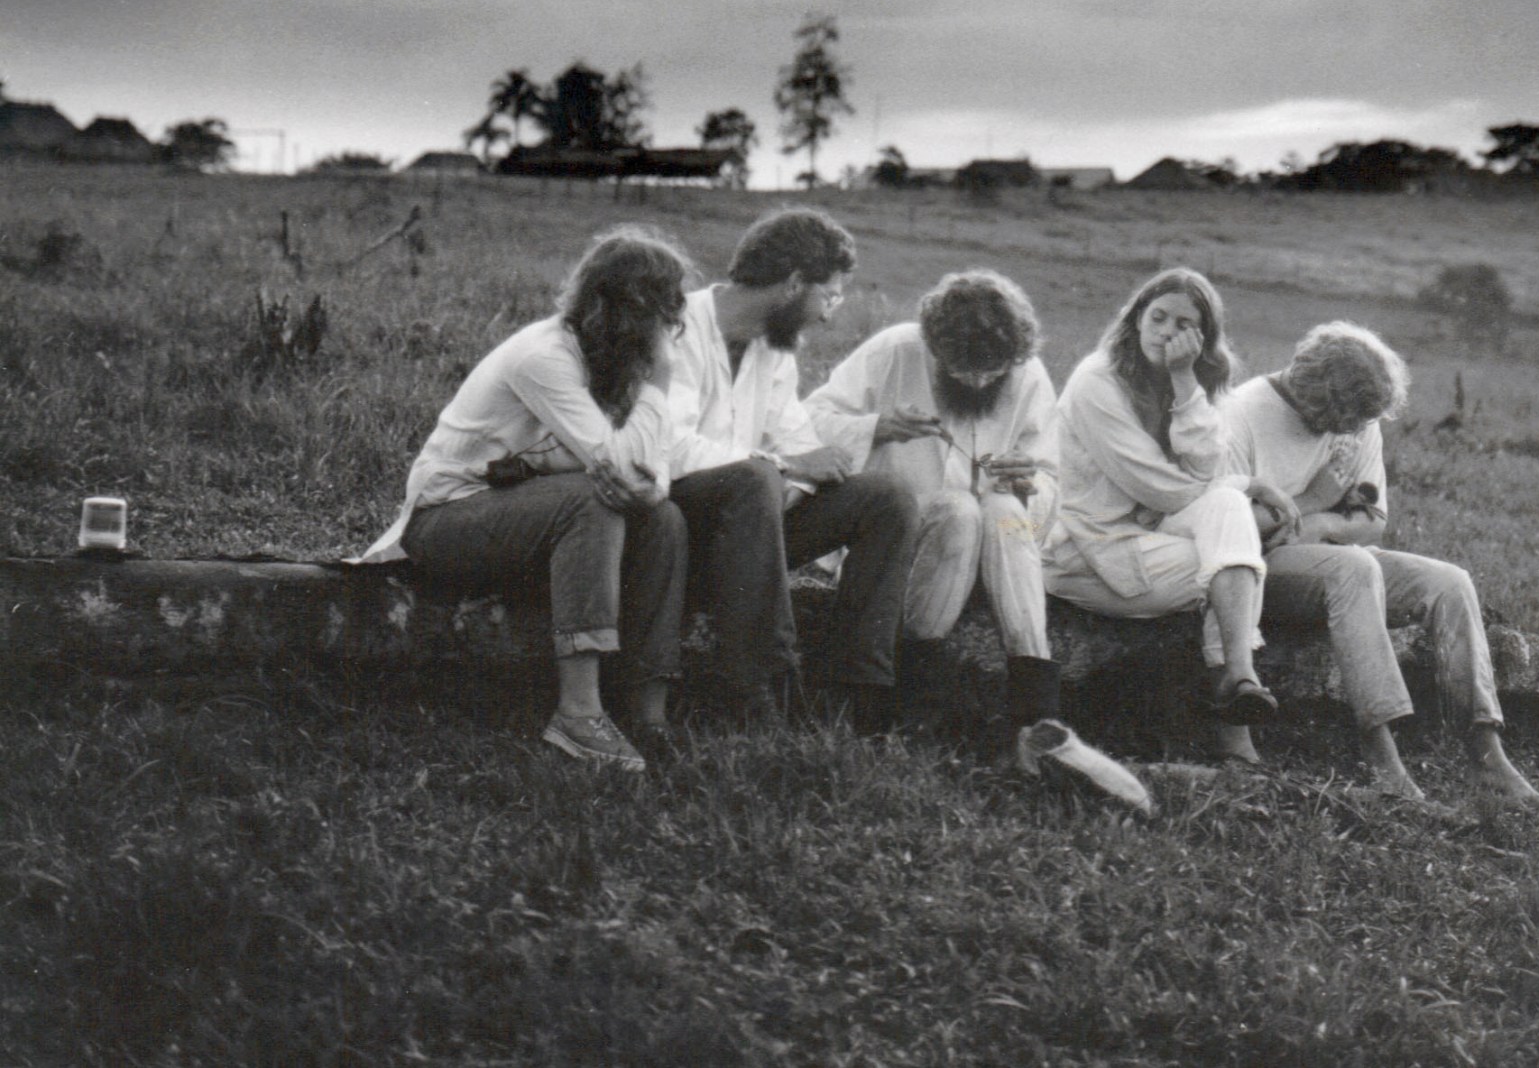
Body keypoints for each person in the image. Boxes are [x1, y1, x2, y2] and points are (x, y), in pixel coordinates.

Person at [807, 270, 1152, 810]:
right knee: (959, 508)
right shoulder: (895, 350)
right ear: (934, 346)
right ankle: (920, 699)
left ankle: (1035, 717)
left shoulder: (1028, 372)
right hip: (906, 552)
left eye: (991, 371)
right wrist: (876, 426)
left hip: (999, 552)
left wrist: (1028, 481)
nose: (974, 383)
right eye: (960, 369)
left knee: (1000, 505)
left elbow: (1049, 483)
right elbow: (809, 421)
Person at [357, 225, 690, 772]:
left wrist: (649, 480)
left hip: (521, 517)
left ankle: (648, 714)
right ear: (628, 310)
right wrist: (659, 385)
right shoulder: (545, 357)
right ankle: (578, 716)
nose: (666, 331)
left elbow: (653, 479)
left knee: (666, 519)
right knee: (591, 499)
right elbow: (618, 467)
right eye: (660, 315)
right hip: (447, 520)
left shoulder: (608, 359)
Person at [1220, 321, 1539, 805]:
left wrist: (1317, 526)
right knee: (1354, 568)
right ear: (1318, 399)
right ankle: (1383, 759)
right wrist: (1315, 501)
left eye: (1361, 422)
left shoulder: (1359, 417)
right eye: (1346, 420)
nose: (1354, 432)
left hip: (1326, 553)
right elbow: (1227, 530)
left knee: (1450, 582)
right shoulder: (1242, 414)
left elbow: (1371, 521)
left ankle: (1487, 755)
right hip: (1256, 574)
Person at [655, 207, 919, 732]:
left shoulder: (772, 347)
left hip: (750, 525)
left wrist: (794, 471)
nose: (829, 315)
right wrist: (781, 468)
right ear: (794, 283)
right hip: (675, 527)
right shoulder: (675, 330)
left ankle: (859, 691)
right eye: (830, 295)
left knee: (886, 496)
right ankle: (758, 688)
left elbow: (800, 443)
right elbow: (668, 450)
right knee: (754, 478)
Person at [1043, 269, 1297, 737]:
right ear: (1136, 318)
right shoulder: (1095, 382)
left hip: (1151, 536)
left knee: (1229, 515)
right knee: (1233, 549)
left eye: (1183, 325)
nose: (1166, 332)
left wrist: (1184, 382)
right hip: (1089, 550)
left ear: (1203, 338)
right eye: (1157, 317)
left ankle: (1240, 676)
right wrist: (1246, 483)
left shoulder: (1196, 383)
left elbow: (1204, 466)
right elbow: (1161, 488)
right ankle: (1231, 712)